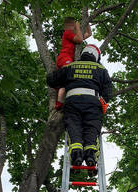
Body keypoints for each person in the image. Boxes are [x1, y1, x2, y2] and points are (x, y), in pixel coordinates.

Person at [47, 44, 112, 176]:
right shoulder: (101, 69)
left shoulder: (71, 66)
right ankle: (90, 155)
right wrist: (103, 102)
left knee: (73, 127)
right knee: (92, 128)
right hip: (93, 103)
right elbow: (107, 91)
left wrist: (64, 81)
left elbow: (51, 80)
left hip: (72, 102)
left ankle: (76, 154)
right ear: (96, 56)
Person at [55, 17, 92, 110]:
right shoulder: (67, 33)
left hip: (67, 59)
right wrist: (78, 26)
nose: (76, 28)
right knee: (68, 77)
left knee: (66, 81)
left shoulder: (73, 35)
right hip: (64, 57)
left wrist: (86, 22)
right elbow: (80, 40)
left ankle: (62, 102)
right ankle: (59, 102)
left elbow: (89, 34)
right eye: (74, 26)